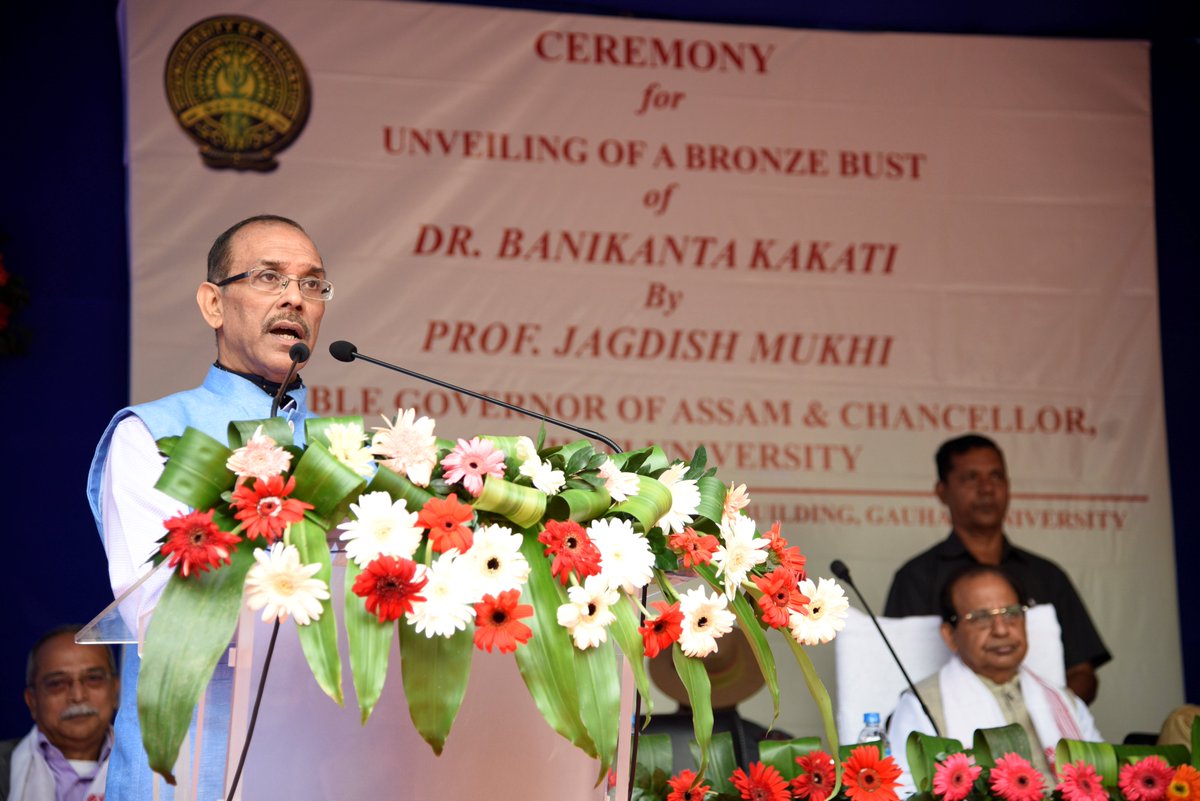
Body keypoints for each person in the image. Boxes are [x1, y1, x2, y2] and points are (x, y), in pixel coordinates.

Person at [85, 215, 329, 800]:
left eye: (313, 284)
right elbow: (159, 609)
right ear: (213, 304)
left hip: (325, 770)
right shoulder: (153, 435)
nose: (295, 297)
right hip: (194, 776)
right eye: (270, 277)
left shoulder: (344, 452)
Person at [883, 434, 1109, 704]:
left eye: (996, 477)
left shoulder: (1046, 575)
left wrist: (1046, 714)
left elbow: (1082, 671)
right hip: (950, 734)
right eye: (971, 478)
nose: (987, 489)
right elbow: (895, 676)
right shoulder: (916, 578)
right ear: (942, 491)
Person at [887, 566, 1101, 794]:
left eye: (1011, 613)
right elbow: (904, 791)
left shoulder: (1064, 700)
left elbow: (1102, 777)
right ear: (950, 635)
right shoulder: (922, 705)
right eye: (980, 618)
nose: (1001, 630)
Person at [1, 626, 119, 801]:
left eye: (93, 678)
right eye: (57, 683)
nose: (78, 696)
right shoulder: (4, 768)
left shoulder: (157, 768)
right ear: (32, 701)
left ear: (116, 691)